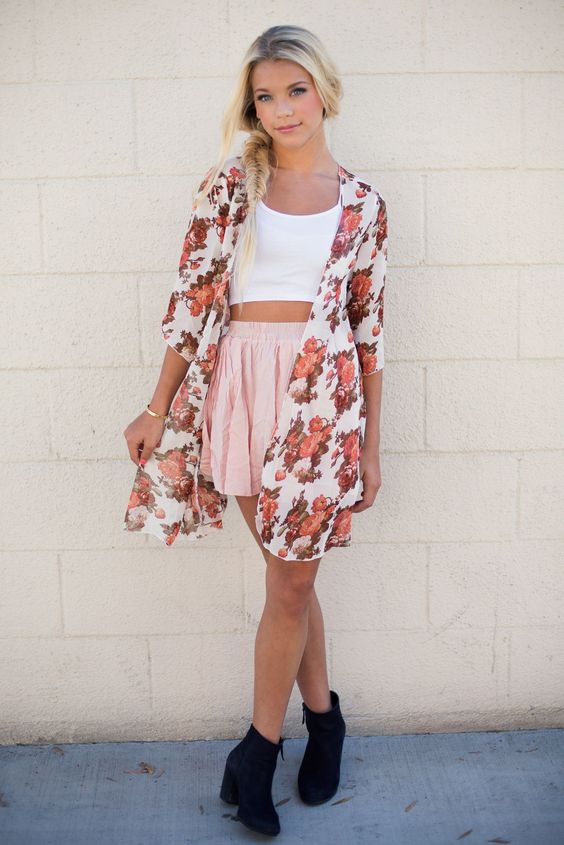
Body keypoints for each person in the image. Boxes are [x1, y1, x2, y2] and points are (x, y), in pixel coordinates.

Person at [123, 24, 388, 838]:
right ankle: (326, 718)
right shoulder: (232, 185)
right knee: (290, 579)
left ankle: (258, 751)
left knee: (290, 584)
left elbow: (370, 331)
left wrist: (372, 445)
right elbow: (194, 296)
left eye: (295, 89)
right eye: (264, 95)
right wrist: (158, 405)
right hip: (238, 386)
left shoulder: (365, 204)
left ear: (323, 90)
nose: (281, 108)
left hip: (322, 401)